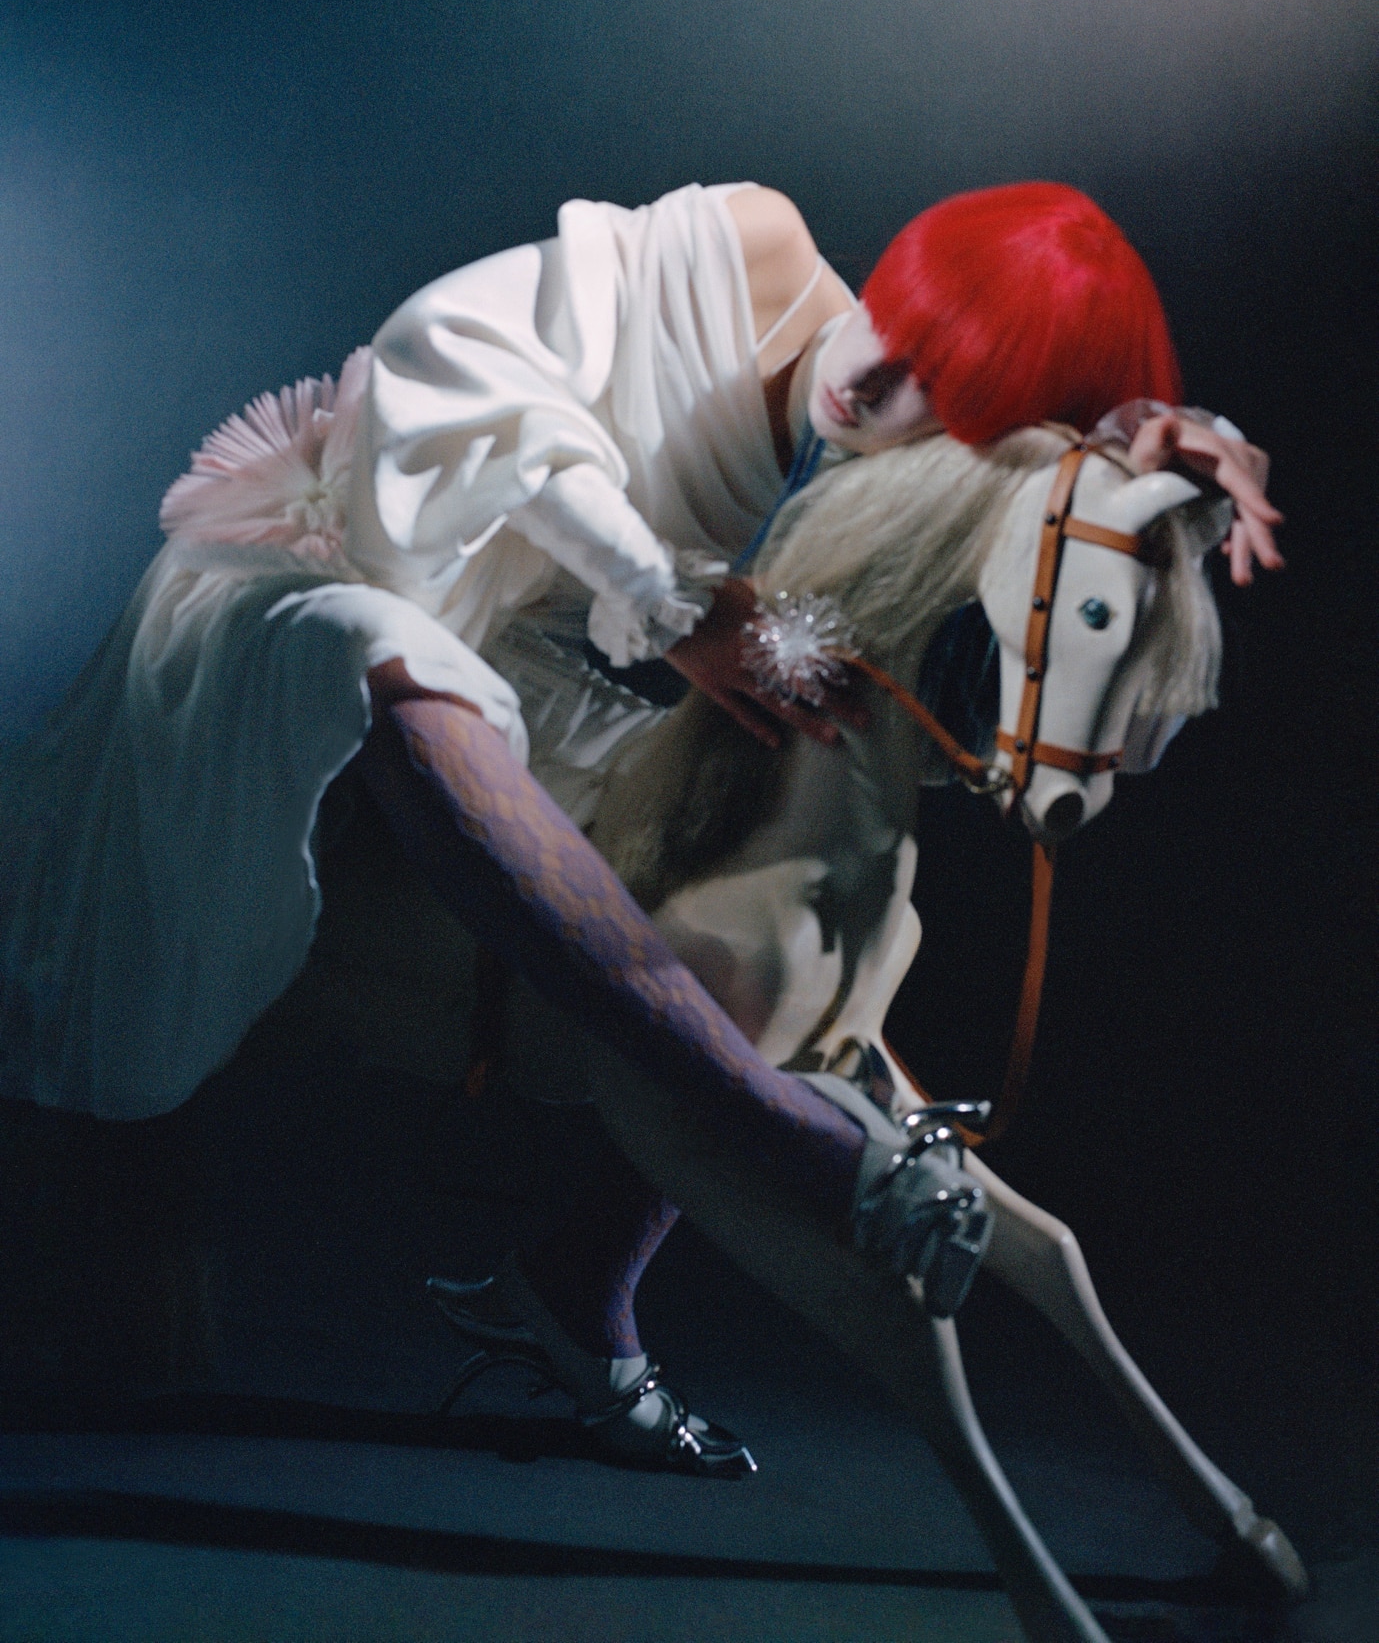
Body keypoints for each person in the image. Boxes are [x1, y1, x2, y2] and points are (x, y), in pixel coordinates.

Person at [0, 179, 1281, 1474]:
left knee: (772, 845)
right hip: (300, 579)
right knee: (375, 648)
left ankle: (576, 1284)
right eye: (913, 328)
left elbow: (993, 559)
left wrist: (1162, 457)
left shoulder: (892, 469)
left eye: (943, 400)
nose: (881, 388)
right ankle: (786, 1138)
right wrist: (673, 598)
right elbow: (442, 349)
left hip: (517, 664)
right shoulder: (749, 245)